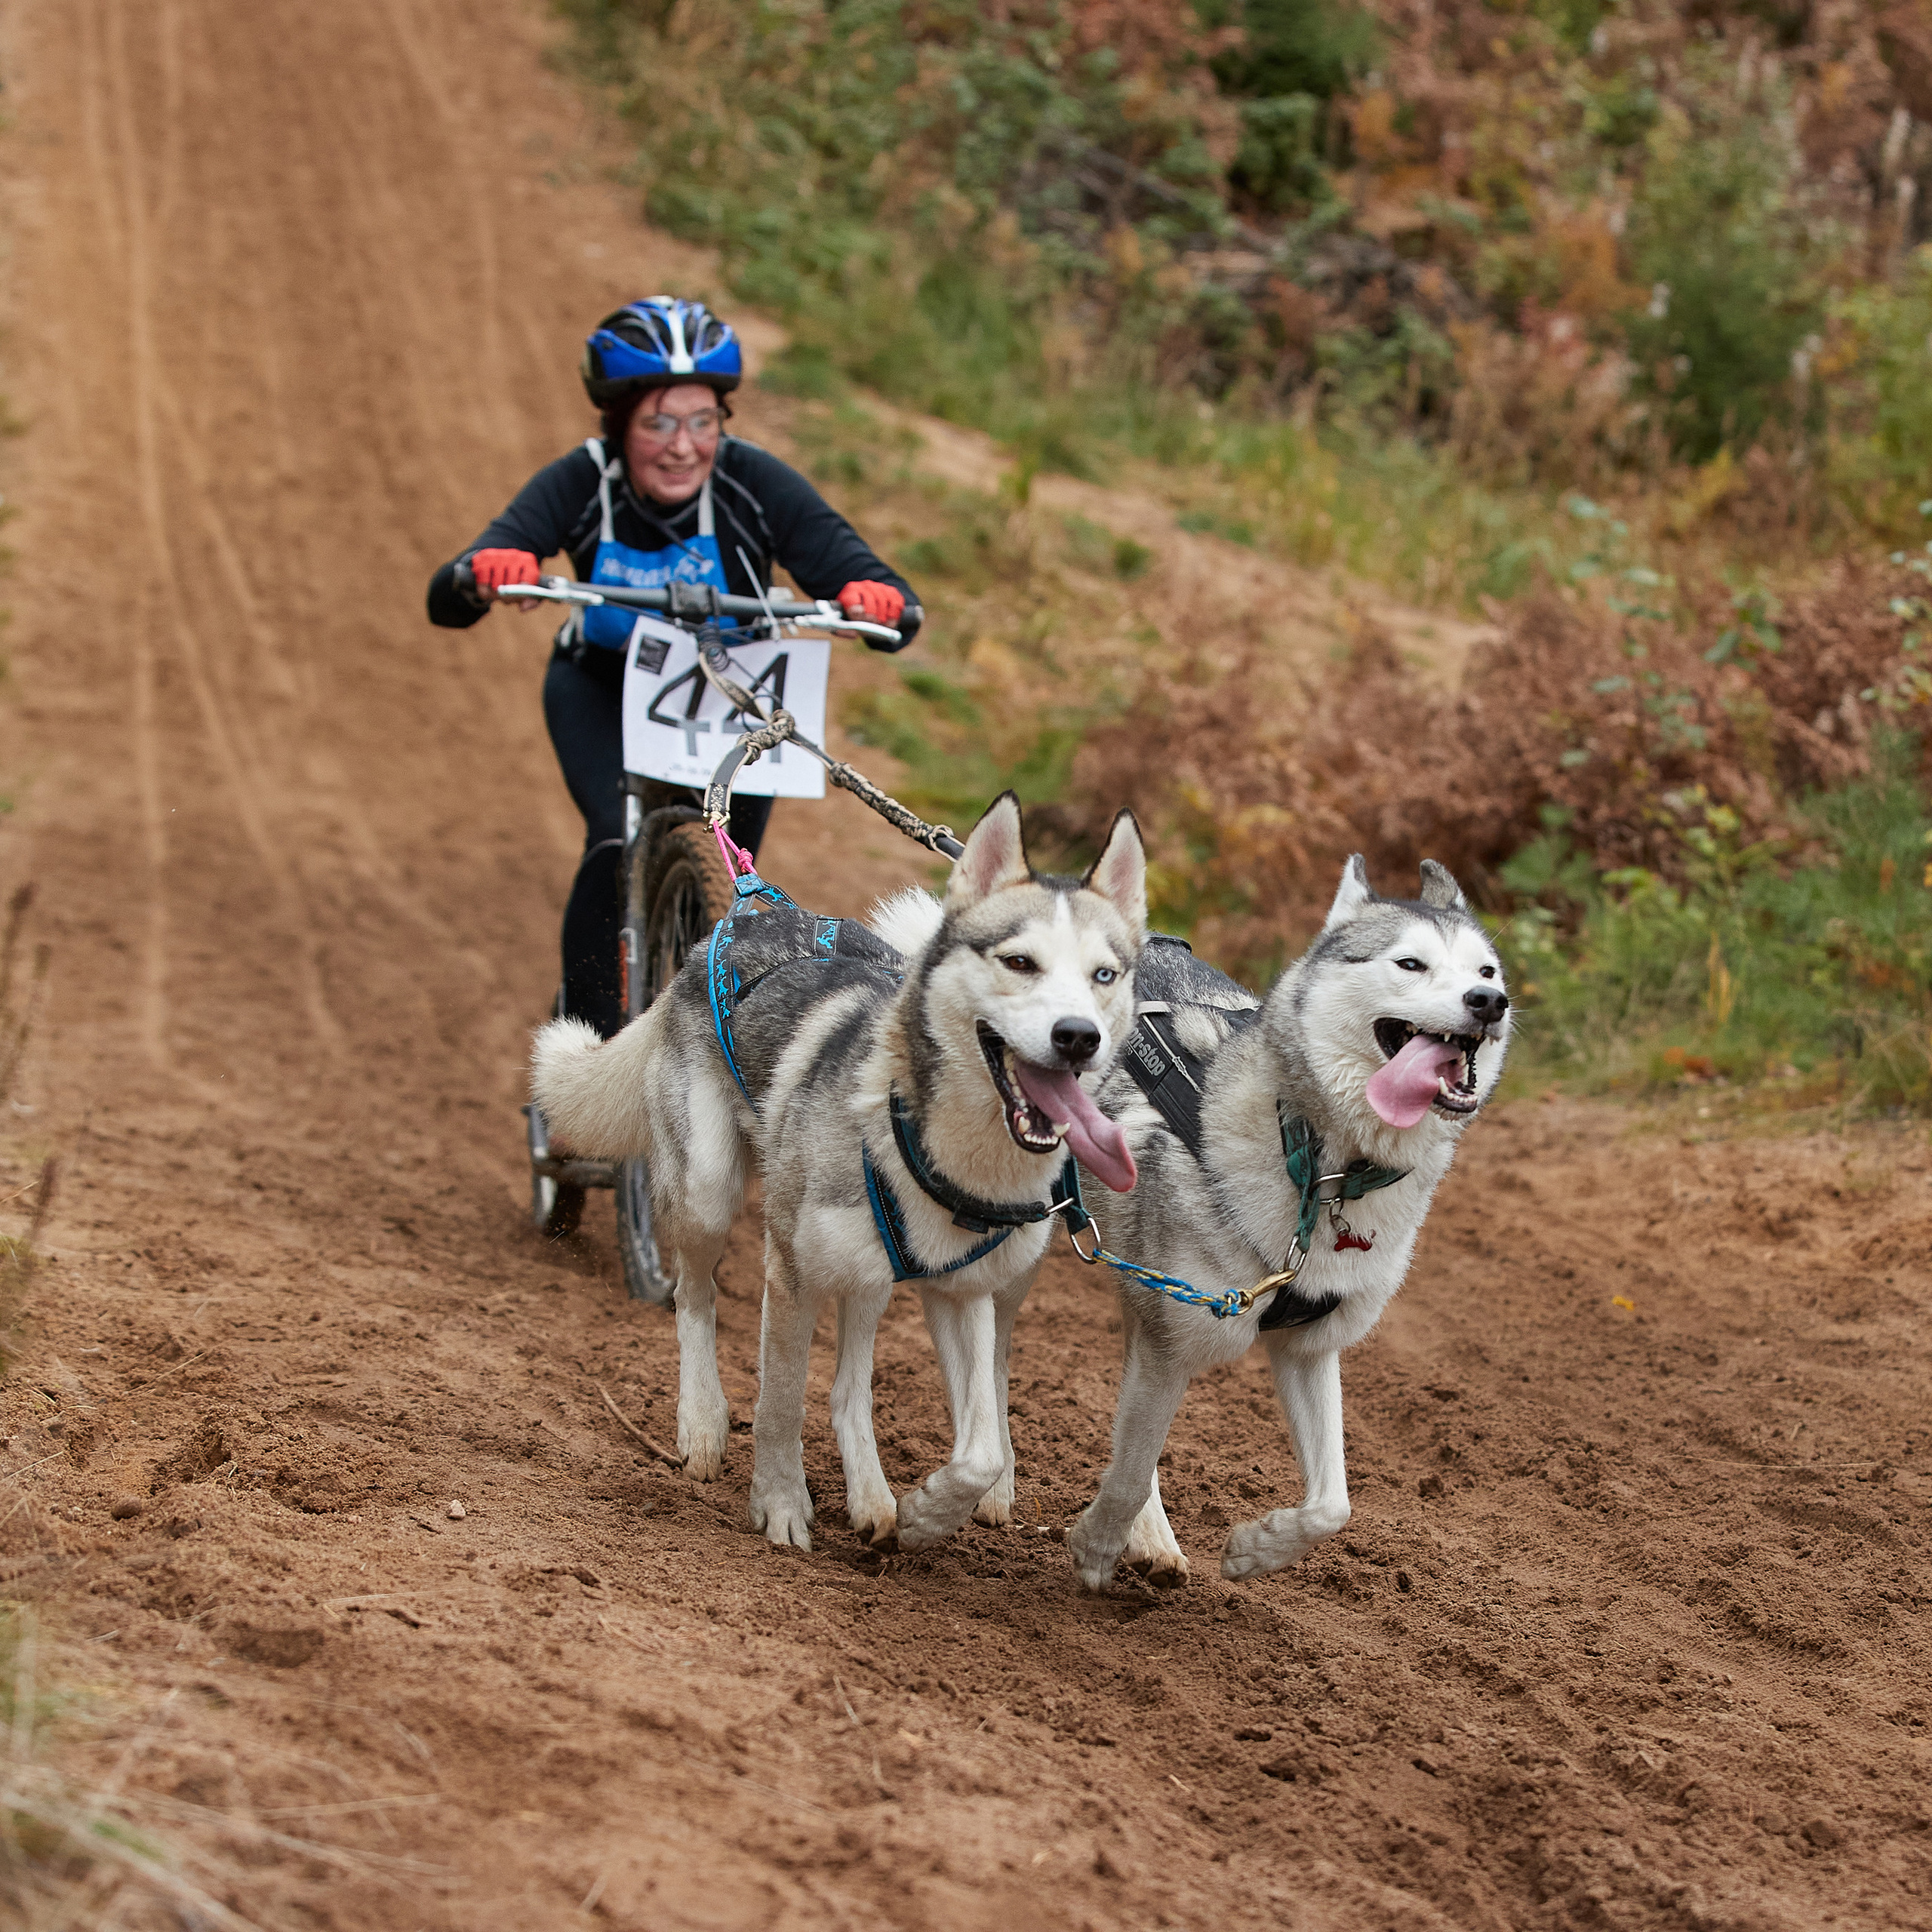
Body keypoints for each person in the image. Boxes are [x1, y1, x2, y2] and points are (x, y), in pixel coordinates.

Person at [426, 297, 918, 1040]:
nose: (682, 446)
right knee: (613, 841)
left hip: (736, 696)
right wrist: (493, 567)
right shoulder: (585, 481)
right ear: (620, 426)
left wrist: (869, 598)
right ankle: (586, 1063)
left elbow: (872, 584)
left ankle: (697, 1057)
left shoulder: (754, 482)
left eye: (702, 422)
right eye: (658, 422)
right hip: (603, 688)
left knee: (728, 883)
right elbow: (455, 588)